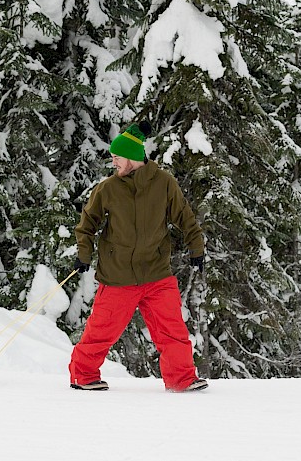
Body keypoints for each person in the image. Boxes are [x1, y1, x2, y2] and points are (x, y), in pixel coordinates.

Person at [69, 121, 208, 392]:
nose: (113, 163)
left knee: (172, 329)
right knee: (101, 332)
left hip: (156, 272)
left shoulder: (164, 183)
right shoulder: (108, 188)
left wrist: (196, 247)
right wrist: (84, 255)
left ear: (132, 158)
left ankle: (182, 379)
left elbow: (185, 216)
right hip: (118, 275)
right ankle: (83, 376)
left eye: (116, 157)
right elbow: (87, 224)